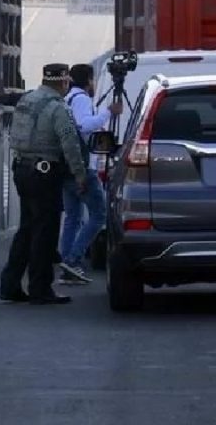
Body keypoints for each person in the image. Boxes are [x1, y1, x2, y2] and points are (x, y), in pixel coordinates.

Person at [0, 63, 87, 305]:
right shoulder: (58, 107)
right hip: (46, 172)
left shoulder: (27, 100)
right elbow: (70, 143)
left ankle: (10, 284)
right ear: (64, 82)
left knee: (26, 229)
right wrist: (79, 174)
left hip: (22, 168)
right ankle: (40, 288)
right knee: (45, 233)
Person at [58, 63, 122, 285]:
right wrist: (108, 112)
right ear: (87, 80)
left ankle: (67, 262)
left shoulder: (67, 99)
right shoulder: (82, 99)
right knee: (98, 214)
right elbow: (85, 126)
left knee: (72, 217)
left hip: (66, 166)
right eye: (92, 80)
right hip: (83, 167)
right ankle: (73, 259)